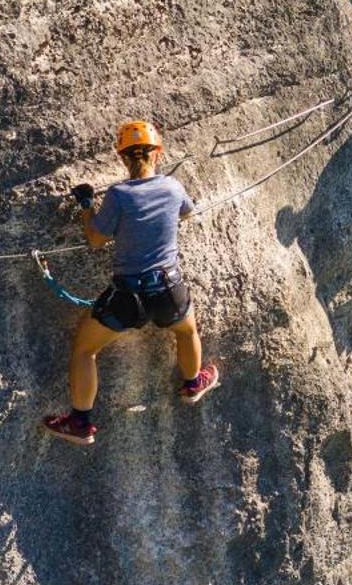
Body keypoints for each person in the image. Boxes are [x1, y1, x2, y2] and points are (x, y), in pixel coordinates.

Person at [42, 120, 220, 446]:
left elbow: (96, 239)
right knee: (187, 329)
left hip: (127, 297)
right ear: (158, 153)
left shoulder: (119, 195)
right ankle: (193, 383)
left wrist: (85, 206)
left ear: (123, 158)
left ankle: (80, 422)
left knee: (85, 350)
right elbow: (187, 213)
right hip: (168, 288)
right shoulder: (172, 187)